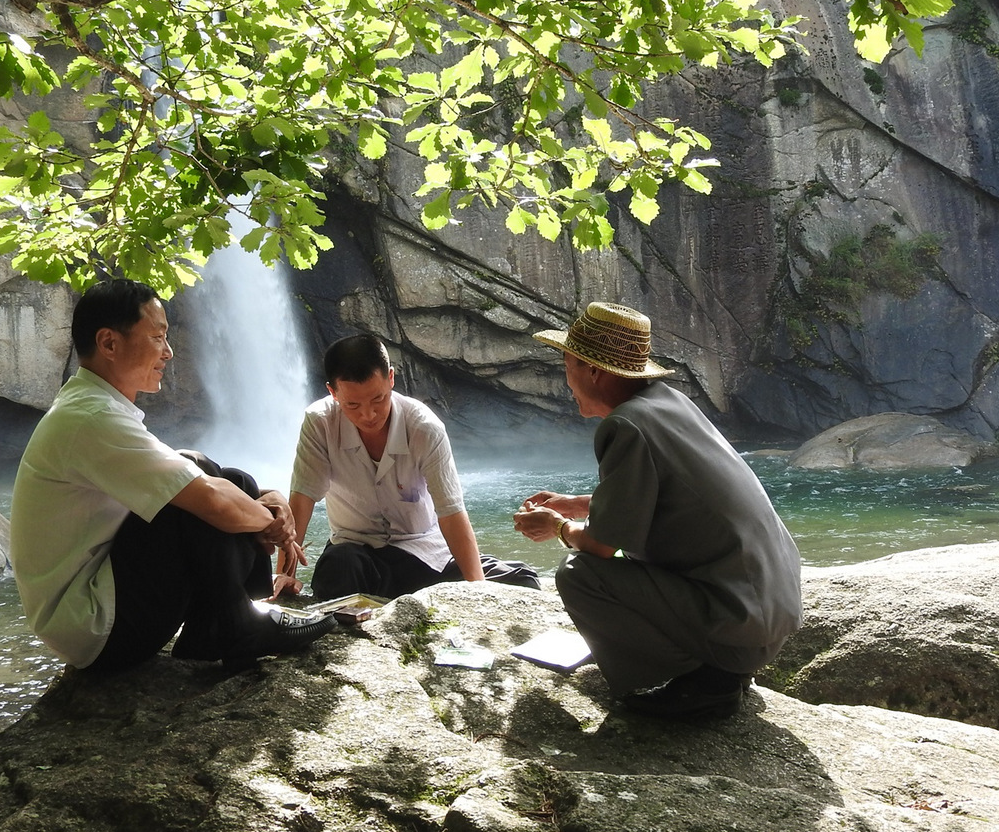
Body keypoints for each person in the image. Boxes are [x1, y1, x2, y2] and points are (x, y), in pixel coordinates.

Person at [10, 278, 333, 673]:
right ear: (109, 343)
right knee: (197, 492)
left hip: (103, 612)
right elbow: (210, 500)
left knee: (224, 476)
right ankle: (236, 627)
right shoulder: (91, 418)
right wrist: (274, 525)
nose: (169, 351)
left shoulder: (93, 407)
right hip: (97, 627)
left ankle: (234, 620)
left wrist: (271, 500)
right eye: (158, 337)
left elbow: (211, 483)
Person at [512, 302, 802, 720]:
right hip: (767, 616)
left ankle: (704, 682)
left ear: (594, 370)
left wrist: (558, 526)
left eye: (567, 363)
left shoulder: (625, 425)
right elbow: (671, 500)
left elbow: (597, 547)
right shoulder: (669, 403)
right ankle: (718, 670)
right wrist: (578, 504)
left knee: (578, 575)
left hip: (740, 626)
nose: (566, 380)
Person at [282, 334, 539, 600]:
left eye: (378, 400)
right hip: (356, 554)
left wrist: (477, 593)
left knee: (522, 581)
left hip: (423, 553)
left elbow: (451, 512)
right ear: (333, 392)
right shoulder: (319, 422)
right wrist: (284, 577)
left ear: (391, 379)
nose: (367, 415)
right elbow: (302, 499)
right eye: (353, 405)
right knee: (338, 566)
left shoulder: (424, 428)